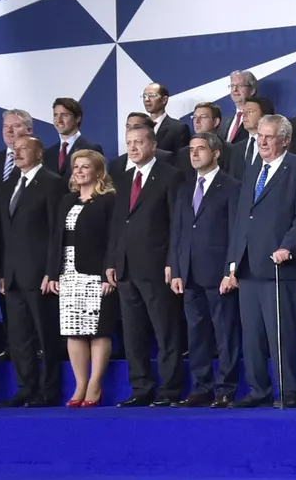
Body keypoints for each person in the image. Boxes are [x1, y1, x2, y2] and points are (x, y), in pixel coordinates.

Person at [226, 114, 296, 408]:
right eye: (259, 137)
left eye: (268, 137)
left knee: (282, 334)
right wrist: (232, 264)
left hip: (280, 266)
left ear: (285, 140)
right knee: (251, 336)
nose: (262, 142)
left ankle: (289, 391)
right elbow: (242, 217)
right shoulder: (253, 168)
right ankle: (258, 390)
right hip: (248, 266)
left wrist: (288, 247)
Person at [107, 121, 186, 406]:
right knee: (133, 333)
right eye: (129, 142)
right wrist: (111, 261)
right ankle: (140, 388)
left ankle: (170, 390)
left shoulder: (170, 175)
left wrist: (172, 261)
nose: (133, 147)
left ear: (153, 145)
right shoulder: (122, 178)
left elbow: (177, 223)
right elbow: (117, 223)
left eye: (139, 142)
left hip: (157, 267)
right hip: (126, 268)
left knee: (166, 331)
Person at [169, 133, 240, 408]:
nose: (195, 154)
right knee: (196, 335)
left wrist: (230, 270)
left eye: (200, 149)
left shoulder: (231, 186)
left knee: (224, 334)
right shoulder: (185, 187)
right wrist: (176, 269)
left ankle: (225, 389)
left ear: (216, 153)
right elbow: (178, 231)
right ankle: (201, 388)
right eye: (191, 150)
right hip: (189, 274)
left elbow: (235, 232)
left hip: (218, 274)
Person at [0, 136, 66, 407]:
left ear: (39, 153)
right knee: (19, 337)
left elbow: (56, 232)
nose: (17, 153)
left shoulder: (52, 183)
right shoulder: (9, 185)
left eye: (23, 149)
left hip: (40, 275)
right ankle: (25, 388)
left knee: (45, 335)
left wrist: (52, 271)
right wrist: (3, 271)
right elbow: (5, 233)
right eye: (15, 150)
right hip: (13, 276)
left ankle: (48, 391)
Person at [47, 150, 118, 408]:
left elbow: (113, 238)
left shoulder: (108, 200)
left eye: (85, 166)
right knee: (73, 332)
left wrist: (108, 271)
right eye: (76, 166)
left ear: (98, 172)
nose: (78, 171)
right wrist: (52, 272)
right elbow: (56, 238)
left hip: (96, 274)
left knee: (98, 331)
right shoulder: (67, 200)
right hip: (69, 273)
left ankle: (94, 385)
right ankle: (79, 385)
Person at [45, 98, 101, 174]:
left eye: (64, 115)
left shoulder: (91, 149)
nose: (59, 120)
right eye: (55, 115)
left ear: (77, 118)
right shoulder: (48, 154)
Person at [0, 108, 36, 184]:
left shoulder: (38, 161)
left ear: (29, 130)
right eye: (5, 126)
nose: (9, 130)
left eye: (15, 126)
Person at [142, 82, 191, 161]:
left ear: (164, 100)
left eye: (152, 95)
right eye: (144, 96)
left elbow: (181, 160)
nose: (146, 99)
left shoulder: (178, 128)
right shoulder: (140, 127)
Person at [222, 70, 263, 164]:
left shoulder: (260, 120)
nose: (234, 90)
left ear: (252, 90)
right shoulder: (224, 123)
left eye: (240, 86)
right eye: (232, 86)